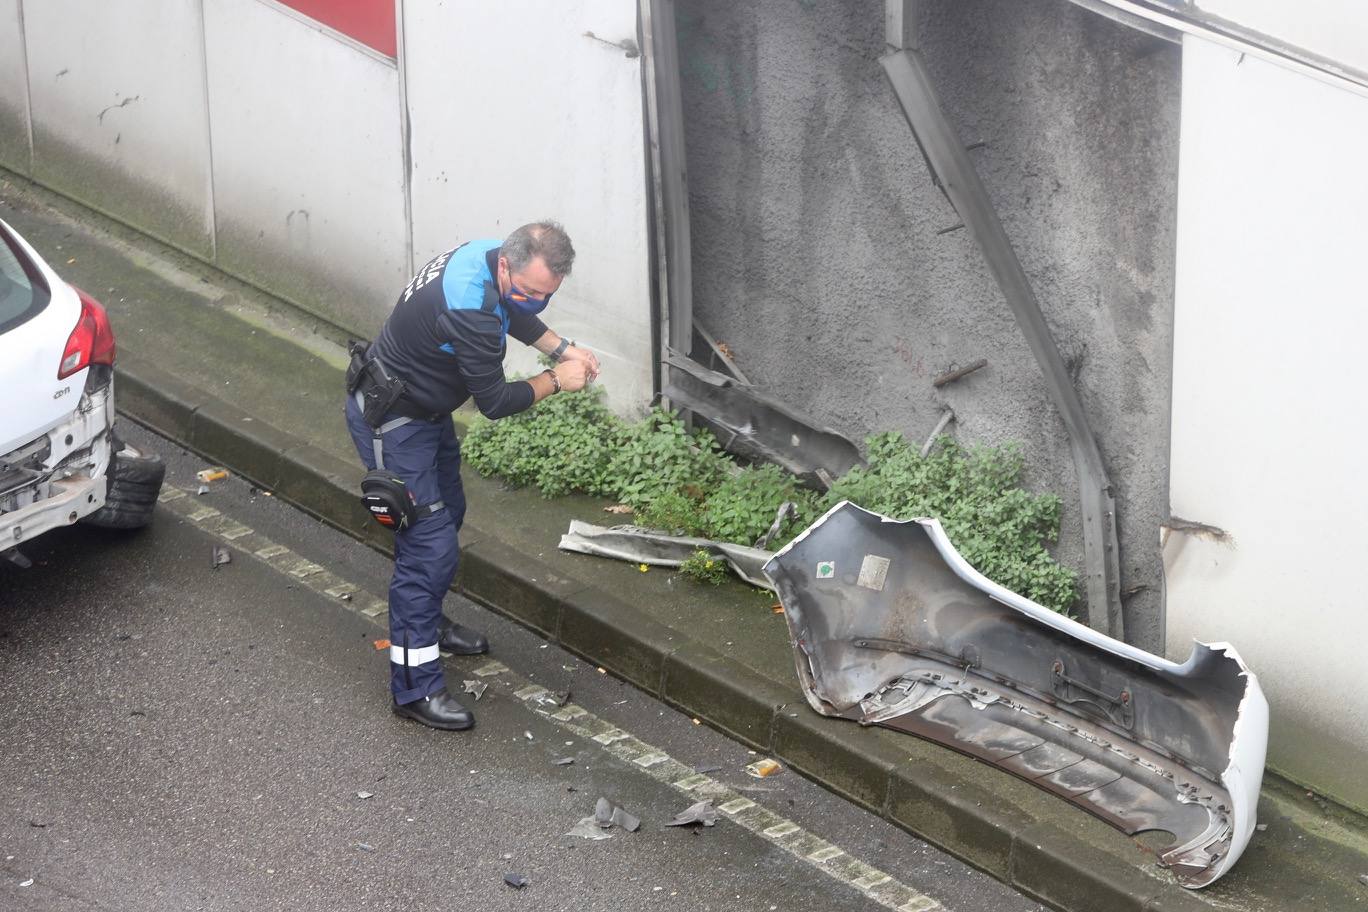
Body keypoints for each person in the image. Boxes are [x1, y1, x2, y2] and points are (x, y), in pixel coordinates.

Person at [344, 221, 598, 731]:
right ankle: (414, 689)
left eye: (546, 296)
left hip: (424, 412)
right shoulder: (469, 309)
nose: (535, 302)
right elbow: (497, 402)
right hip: (392, 420)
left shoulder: (488, 255)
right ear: (507, 265)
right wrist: (556, 378)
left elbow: (514, 311)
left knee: (448, 514)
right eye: (530, 290)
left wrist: (561, 347)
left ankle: (428, 624)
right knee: (429, 545)